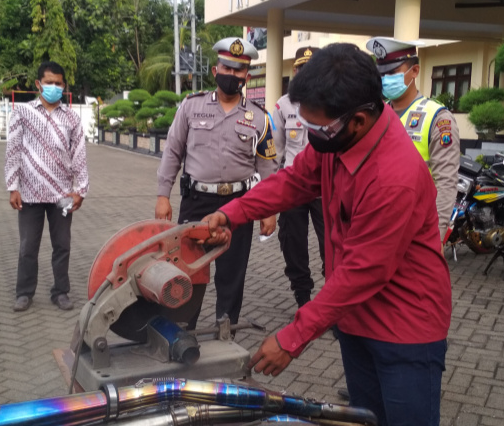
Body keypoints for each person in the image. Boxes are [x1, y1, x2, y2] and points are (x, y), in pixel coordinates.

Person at [199, 43, 452, 426]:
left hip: (404, 329)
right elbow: (293, 182)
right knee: (366, 418)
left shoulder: (393, 177)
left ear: (359, 120)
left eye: (318, 127)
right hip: (353, 319)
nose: (310, 133)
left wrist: (293, 337)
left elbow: (363, 271)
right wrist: (231, 213)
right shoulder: (335, 138)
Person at [155, 37, 278, 328]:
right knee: (187, 268)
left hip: (239, 204)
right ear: (214, 70)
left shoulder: (259, 117)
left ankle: (226, 328)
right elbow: (173, 151)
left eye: (239, 71)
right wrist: (163, 195)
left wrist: (270, 210)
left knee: (232, 273)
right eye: (227, 68)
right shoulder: (191, 107)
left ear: (247, 77)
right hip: (196, 200)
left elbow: (268, 166)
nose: (232, 75)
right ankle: (183, 326)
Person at [4, 61, 89, 312]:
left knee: (62, 245)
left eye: (58, 83)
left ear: (64, 85)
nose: (54, 87)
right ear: (38, 84)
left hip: (62, 195)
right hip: (29, 193)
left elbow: (79, 155)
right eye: (49, 82)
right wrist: (13, 186)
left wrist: (80, 189)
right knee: (28, 246)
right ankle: (24, 292)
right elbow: (13, 150)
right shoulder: (23, 112)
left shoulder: (72, 118)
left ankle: (60, 292)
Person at [366, 37, 460, 240]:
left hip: (417, 227)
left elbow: (446, 182)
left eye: (392, 73)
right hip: (379, 224)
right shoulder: (376, 114)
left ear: (415, 71)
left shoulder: (438, 118)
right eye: (381, 74)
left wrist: (437, 234)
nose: (385, 79)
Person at [271, 46, 325, 308]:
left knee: (334, 246)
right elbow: (275, 153)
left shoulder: (334, 102)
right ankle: (303, 300)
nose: (307, 74)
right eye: (302, 68)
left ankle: (332, 307)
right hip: (294, 186)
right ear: (295, 71)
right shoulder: (283, 105)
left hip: (327, 187)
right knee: (293, 245)